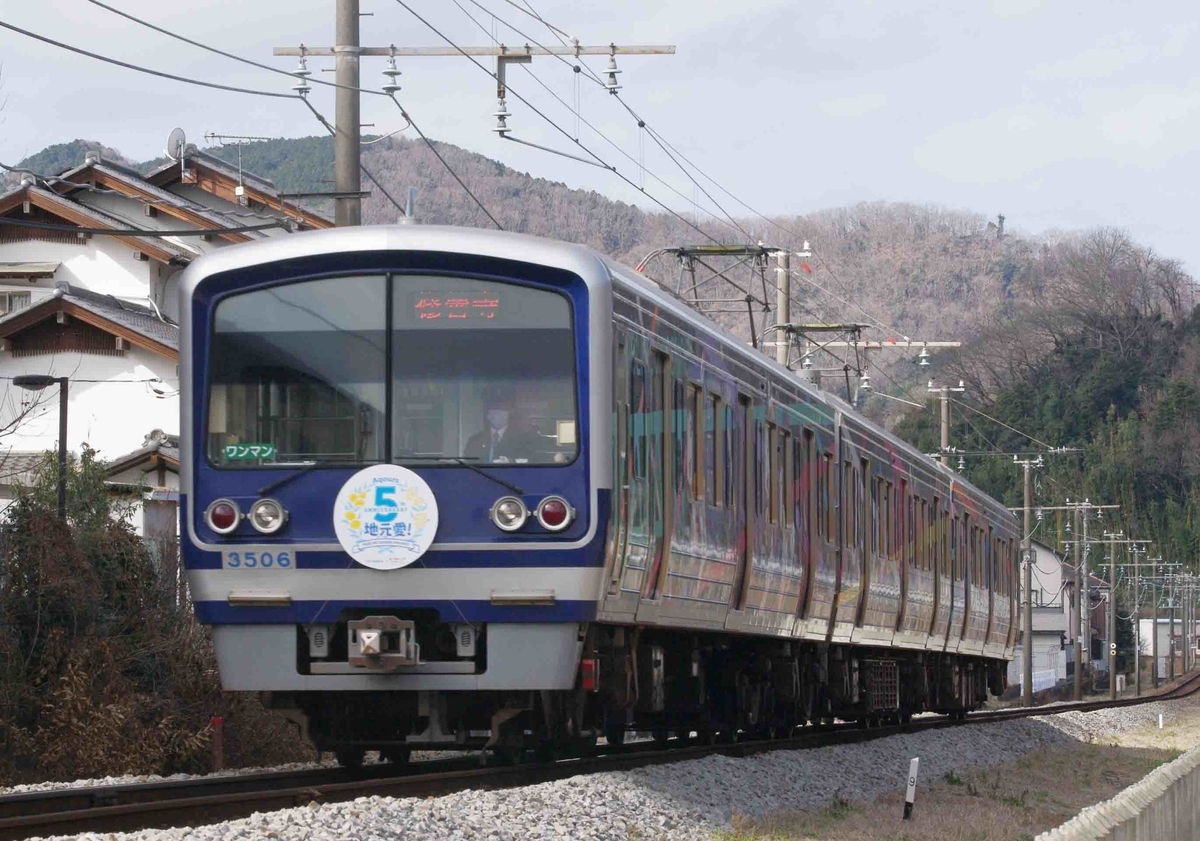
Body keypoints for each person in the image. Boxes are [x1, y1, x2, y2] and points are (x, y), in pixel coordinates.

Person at [463, 397, 539, 463]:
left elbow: (530, 460)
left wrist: (510, 461)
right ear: (488, 416)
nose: (497, 415)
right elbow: (468, 462)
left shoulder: (522, 439)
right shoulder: (475, 440)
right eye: (494, 412)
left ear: (508, 415)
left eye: (501, 412)